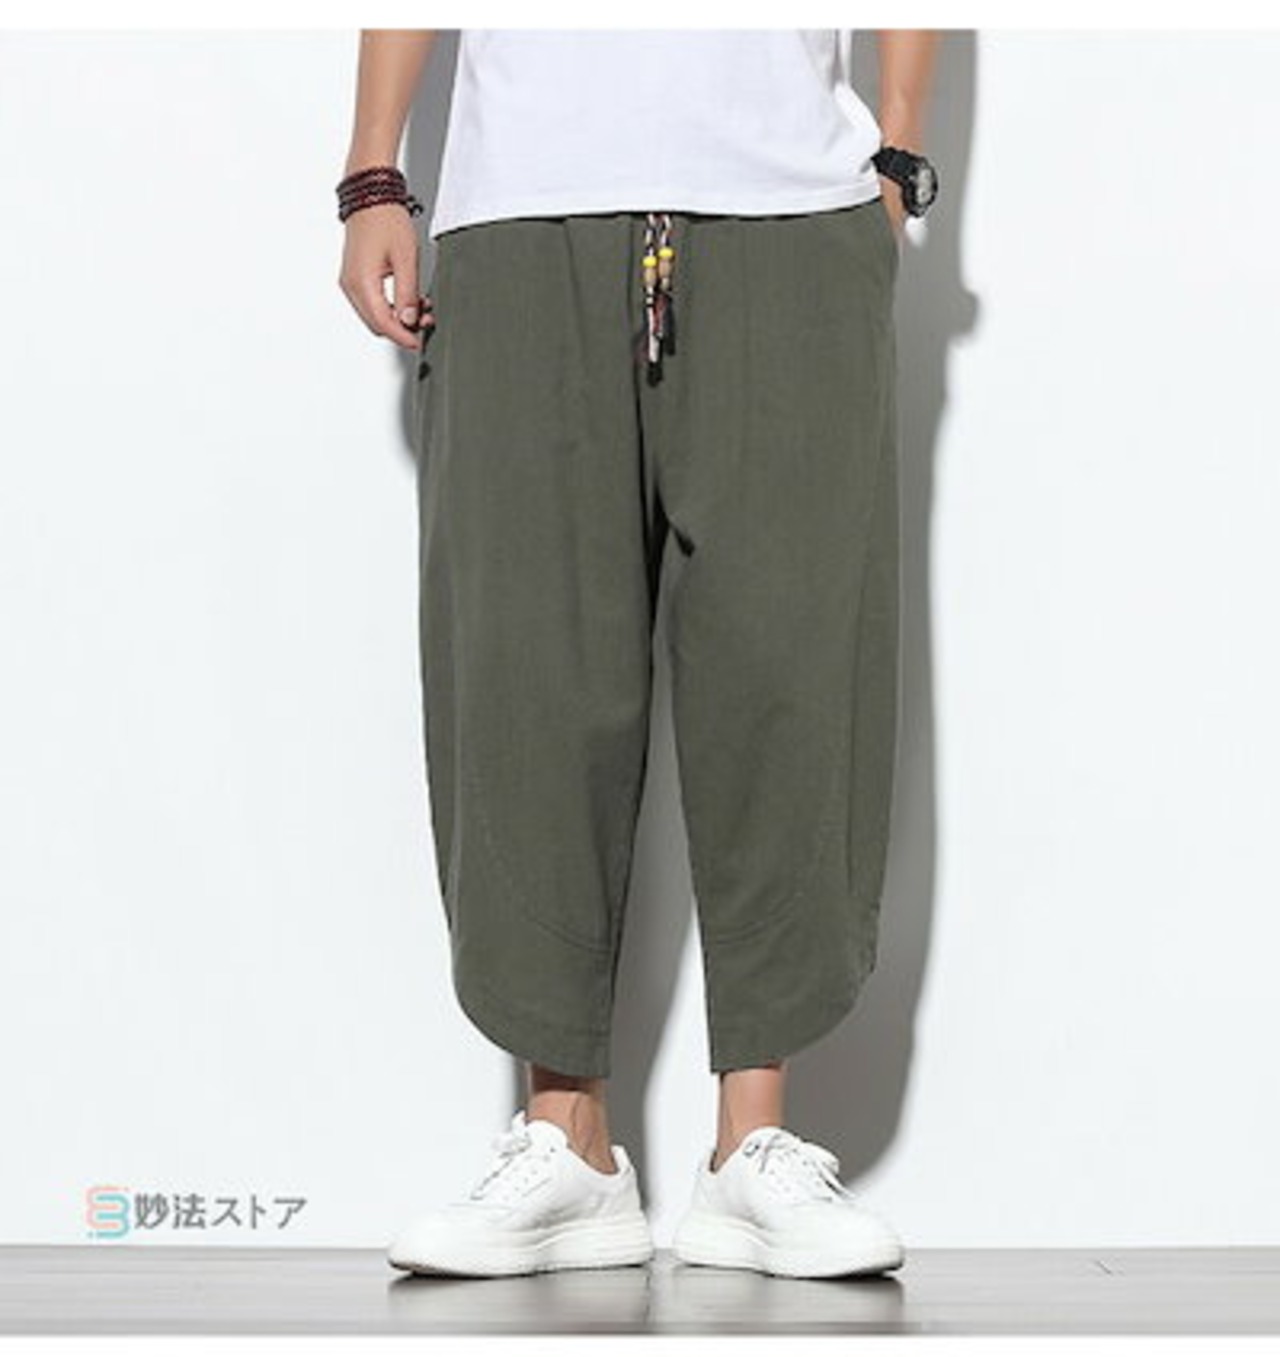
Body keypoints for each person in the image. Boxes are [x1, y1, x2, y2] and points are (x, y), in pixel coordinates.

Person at [337, 27, 940, 1281]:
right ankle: (567, 1144)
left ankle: (750, 1147)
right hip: (522, 206)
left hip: (788, 205)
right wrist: (372, 173)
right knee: (525, 666)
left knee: (789, 658)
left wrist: (895, 154)